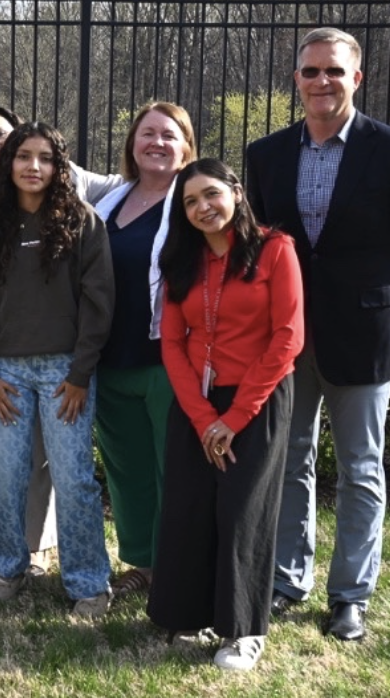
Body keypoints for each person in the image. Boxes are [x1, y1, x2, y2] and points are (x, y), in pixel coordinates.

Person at [247, 27, 390, 641]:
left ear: (357, 78)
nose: (321, 81)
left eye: (334, 70)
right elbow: (260, 243)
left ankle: (350, 595)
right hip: (287, 336)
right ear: (296, 80)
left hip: (365, 331)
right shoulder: (266, 154)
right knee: (291, 459)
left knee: (361, 466)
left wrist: (379, 293)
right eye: (311, 71)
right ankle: (287, 577)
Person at [149, 158, 304, 671]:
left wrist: (234, 418)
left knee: (243, 513)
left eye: (210, 194)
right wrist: (200, 416)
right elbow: (172, 342)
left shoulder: (275, 249)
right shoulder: (182, 261)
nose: (202, 208)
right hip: (198, 402)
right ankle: (185, 615)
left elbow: (288, 338)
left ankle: (243, 631)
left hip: (255, 402)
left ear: (235, 191)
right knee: (189, 508)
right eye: (190, 202)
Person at [0, 106, 125, 576]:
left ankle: (87, 579)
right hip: (5, 375)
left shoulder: (83, 222)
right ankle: (8, 568)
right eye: (24, 157)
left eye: (45, 158)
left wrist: (80, 374)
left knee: (74, 480)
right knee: (5, 476)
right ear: (8, 163)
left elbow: (99, 305)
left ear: (59, 166)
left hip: (65, 373)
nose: (34, 167)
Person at [89, 102, 196, 599]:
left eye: (168, 135)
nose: (156, 142)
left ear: (186, 148)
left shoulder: (194, 203)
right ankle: (142, 564)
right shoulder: (111, 202)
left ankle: (180, 567)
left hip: (169, 360)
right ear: (132, 144)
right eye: (147, 133)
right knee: (127, 469)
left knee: (171, 469)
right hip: (111, 358)